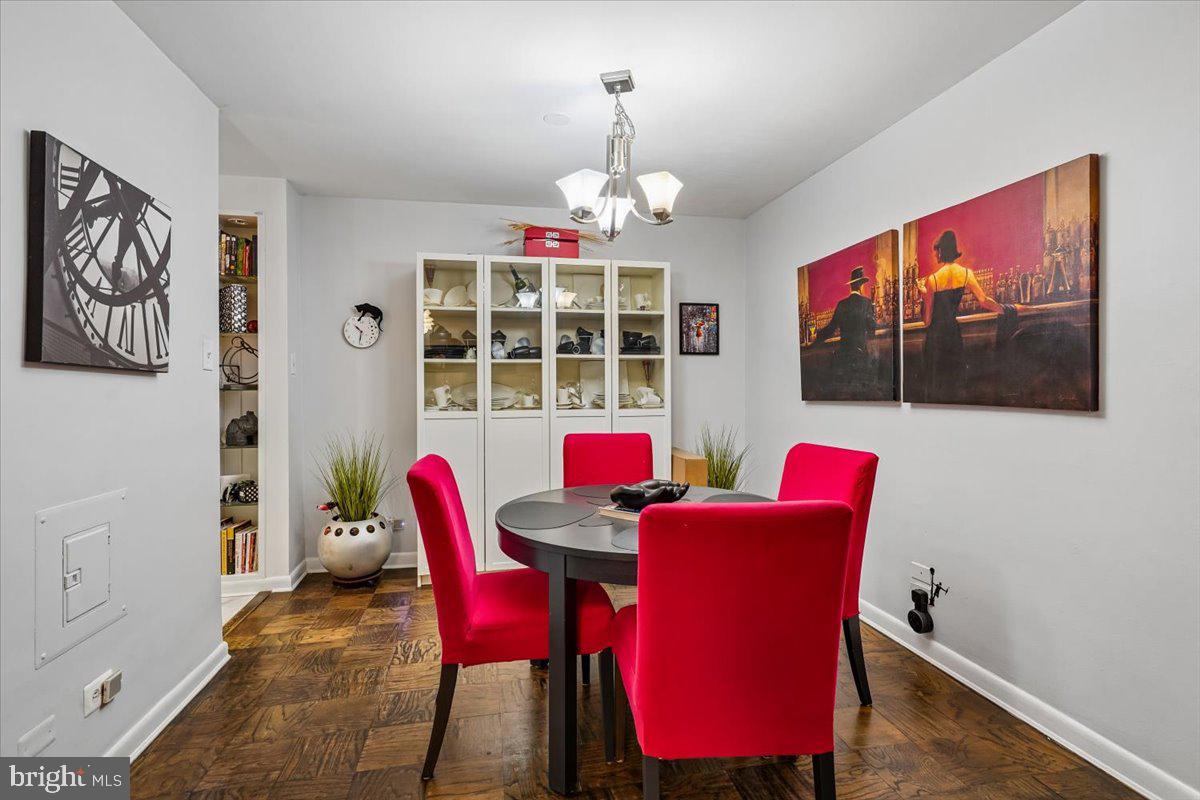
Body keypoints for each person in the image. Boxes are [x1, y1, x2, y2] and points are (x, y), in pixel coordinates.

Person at [917, 230, 1003, 400]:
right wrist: (1004, 309)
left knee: (937, 384)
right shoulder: (966, 273)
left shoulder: (932, 280)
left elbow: (927, 321)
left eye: (936, 251)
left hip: (936, 337)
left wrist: (923, 294)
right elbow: (984, 300)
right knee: (954, 381)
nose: (935, 255)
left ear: (941, 251)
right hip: (953, 334)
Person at [815, 266, 877, 389]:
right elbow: (872, 329)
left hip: (844, 356)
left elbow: (831, 328)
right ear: (861, 286)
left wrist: (817, 338)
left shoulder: (841, 304)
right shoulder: (867, 303)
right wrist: (873, 308)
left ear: (851, 286)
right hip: (860, 355)